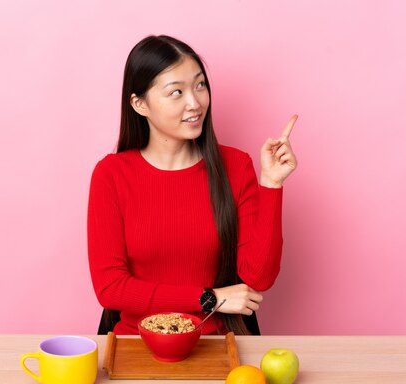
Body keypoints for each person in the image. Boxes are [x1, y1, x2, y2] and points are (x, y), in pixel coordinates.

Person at [87, 35, 298, 336]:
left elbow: (259, 278)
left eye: (200, 85)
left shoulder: (236, 166)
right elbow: (110, 288)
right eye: (176, 92)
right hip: (134, 347)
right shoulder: (112, 174)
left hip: (215, 346)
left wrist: (272, 184)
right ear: (139, 104)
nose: (195, 102)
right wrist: (209, 297)